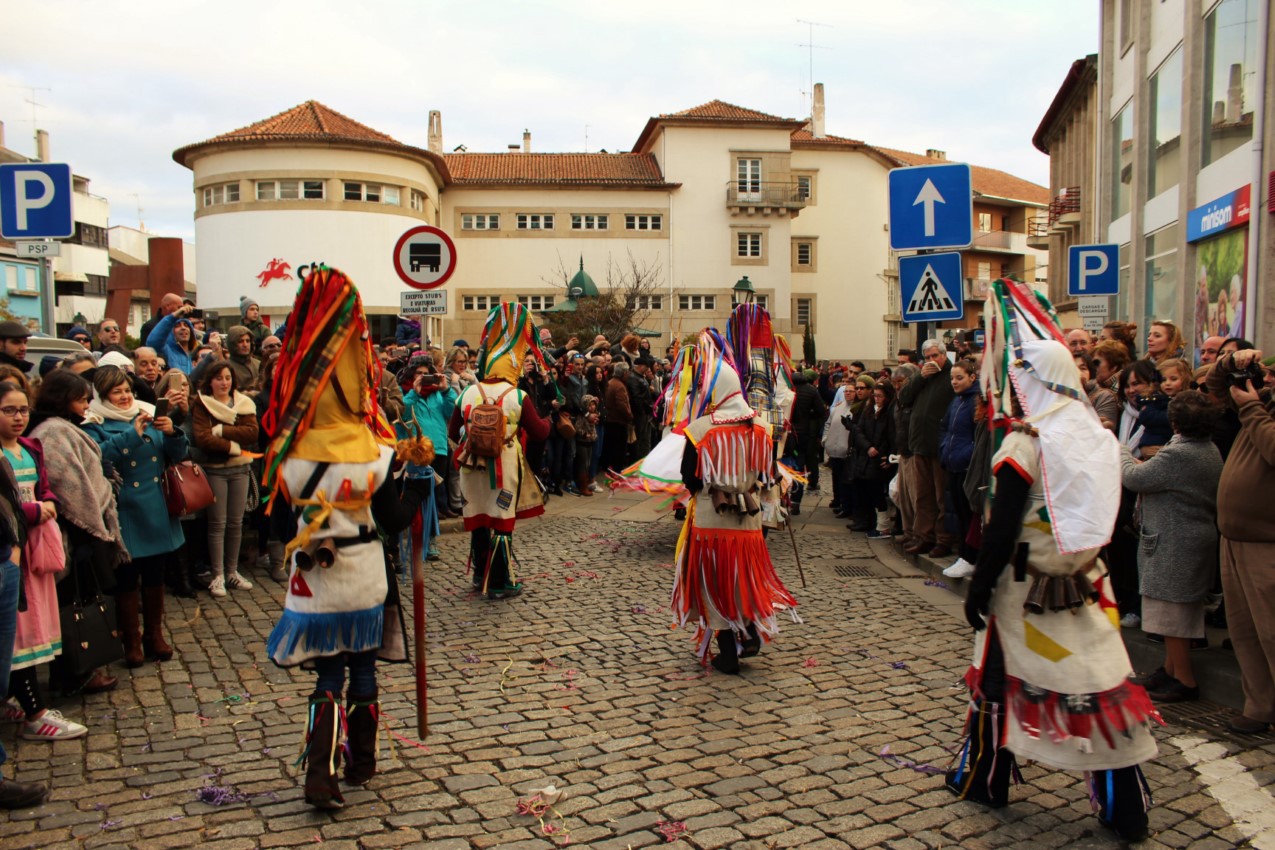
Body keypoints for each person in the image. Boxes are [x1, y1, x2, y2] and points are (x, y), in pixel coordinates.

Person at [948, 280, 1158, 843]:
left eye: (1016, 380)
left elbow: (1002, 529)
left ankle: (986, 778)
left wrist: (979, 585)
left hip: (1024, 588)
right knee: (1097, 682)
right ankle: (1124, 805)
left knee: (997, 681)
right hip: (1086, 584)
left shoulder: (1028, 441)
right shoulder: (1095, 433)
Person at [262, 265, 428, 810]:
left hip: (312, 577)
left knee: (327, 671)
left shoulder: (285, 455)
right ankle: (362, 761)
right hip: (363, 576)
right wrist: (418, 488)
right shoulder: (374, 453)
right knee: (362, 665)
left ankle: (320, 774)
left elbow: (281, 526)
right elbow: (396, 520)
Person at [669, 330, 799, 674]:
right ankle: (750, 632)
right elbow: (770, 474)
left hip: (712, 523)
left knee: (713, 584)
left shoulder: (700, 430)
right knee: (744, 580)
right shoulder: (761, 429)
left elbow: (690, 477)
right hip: (750, 523)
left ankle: (728, 652)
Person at [0, 380, 89, 743]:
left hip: (35, 549)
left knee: (34, 623)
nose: (19, 417)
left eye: (23, 410)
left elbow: (44, 486)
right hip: (10, 550)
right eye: (9, 410)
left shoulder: (28, 447)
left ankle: (19, 699)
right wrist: (34, 510)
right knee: (18, 631)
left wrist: (47, 502)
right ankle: (34, 713)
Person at [27, 370, 125, 696]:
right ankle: (75, 673)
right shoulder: (53, 432)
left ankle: (80, 670)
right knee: (73, 604)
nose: (86, 405)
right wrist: (88, 521)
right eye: (82, 399)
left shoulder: (63, 427)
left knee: (81, 598)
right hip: (75, 529)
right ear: (64, 398)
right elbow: (69, 485)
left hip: (83, 526)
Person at [1120, 391, 1222, 703]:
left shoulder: (1181, 454)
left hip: (1176, 542)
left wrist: (1121, 450)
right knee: (1171, 612)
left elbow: (1134, 476)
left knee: (1173, 615)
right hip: (1185, 538)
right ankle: (1168, 669)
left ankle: (1184, 679)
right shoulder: (1205, 448)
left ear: (1176, 422)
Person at [84, 366, 187, 667]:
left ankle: (153, 635)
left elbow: (178, 454)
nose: (126, 397)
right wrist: (132, 434)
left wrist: (172, 432)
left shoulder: (147, 412)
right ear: (103, 396)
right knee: (127, 580)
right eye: (117, 392)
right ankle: (131, 638)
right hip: (126, 509)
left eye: (127, 390)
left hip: (156, 505)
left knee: (155, 576)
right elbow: (98, 456)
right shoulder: (95, 422)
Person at [448, 303, 551, 600]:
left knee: (479, 519)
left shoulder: (468, 392)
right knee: (501, 521)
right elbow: (540, 432)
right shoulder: (516, 395)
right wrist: (548, 420)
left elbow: (453, 432)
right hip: (503, 468)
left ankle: (480, 573)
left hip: (471, 467)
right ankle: (499, 582)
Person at [1207, 347, 1275, 734]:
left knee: (1271, 631)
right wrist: (1230, 365)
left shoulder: (1259, 411)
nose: (1267, 382)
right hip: (1234, 537)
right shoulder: (1264, 402)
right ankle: (1261, 706)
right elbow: (1214, 387)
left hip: (1266, 541)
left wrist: (1251, 408)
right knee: (1245, 629)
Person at [191, 362, 259, 598]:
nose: (224, 382)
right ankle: (217, 574)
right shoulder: (202, 404)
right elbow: (202, 439)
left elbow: (252, 433)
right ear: (210, 381)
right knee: (217, 523)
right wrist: (235, 447)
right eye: (219, 378)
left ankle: (232, 571)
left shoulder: (243, 403)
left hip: (240, 470)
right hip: (215, 470)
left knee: (236, 523)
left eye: (228, 378)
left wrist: (220, 431)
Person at [899, 340, 956, 556]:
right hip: (919, 444)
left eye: (935, 356)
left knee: (941, 496)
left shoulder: (950, 376)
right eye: (928, 357)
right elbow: (903, 398)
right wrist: (920, 376)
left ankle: (943, 538)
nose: (932, 361)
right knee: (923, 495)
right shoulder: (922, 377)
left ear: (943, 355)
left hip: (939, 446)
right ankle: (924, 536)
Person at [938, 359, 981, 578]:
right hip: (952, 463)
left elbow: (978, 435)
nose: (954, 382)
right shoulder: (957, 401)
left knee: (968, 514)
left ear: (972, 378)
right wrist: (945, 448)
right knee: (958, 512)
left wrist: (966, 454)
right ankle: (964, 555)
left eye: (959, 377)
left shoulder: (976, 401)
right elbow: (946, 427)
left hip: (967, 466)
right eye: (952, 378)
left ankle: (970, 557)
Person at [851, 380, 896, 539]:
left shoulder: (890, 412)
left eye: (880, 396)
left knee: (877, 492)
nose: (876, 399)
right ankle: (871, 522)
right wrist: (867, 446)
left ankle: (883, 525)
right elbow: (859, 430)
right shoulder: (868, 410)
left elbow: (890, 436)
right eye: (875, 395)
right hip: (865, 455)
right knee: (865, 490)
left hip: (878, 458)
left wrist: (881, 451)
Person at [789, 368, 827, 491]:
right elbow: (821, 411)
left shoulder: (787, 390)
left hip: (790, 431)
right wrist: (811, 413)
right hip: (807, 431)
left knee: (793, 456)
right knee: (810, 458)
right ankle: (812, 482)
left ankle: (792, 484)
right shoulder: (811, 391)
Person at [146, 306, 199, 375]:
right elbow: (152, 342)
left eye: (186, 325)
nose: (183, 328)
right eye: (177, 326)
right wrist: (173, 317)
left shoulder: (197, 354)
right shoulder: (168, 351)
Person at [602, 361, 633, 475]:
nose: (629, 374)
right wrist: (629, 416)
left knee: (611, 446)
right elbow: (622, 405)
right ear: (624, 373)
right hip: (618, 421)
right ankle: (617, 470)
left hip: (611, 420)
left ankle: (611, 468)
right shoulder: (619, 386)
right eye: (628, 371)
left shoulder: (611, 382)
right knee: (619, 448)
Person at [224, 326, 260, 391]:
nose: (245, 344)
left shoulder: (258, 364)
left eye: (248, 341)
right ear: (232, 344)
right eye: (240, 341)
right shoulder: (226, 367)